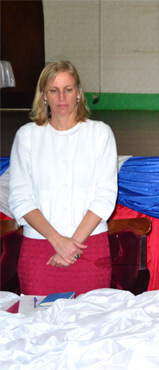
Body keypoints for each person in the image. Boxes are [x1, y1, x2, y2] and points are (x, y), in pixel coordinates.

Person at [8, 60, 118, 295]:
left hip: (89, 247)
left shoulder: (100, 133)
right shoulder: (27, 136)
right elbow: (20, 198)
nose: (62, 97)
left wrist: (72, 246)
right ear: (44, 96)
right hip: (41, 249)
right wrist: (58, 241)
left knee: (91, 328)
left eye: (68, 89)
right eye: (54, 90)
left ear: (78, 94)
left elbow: (105, 197)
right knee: (39, 328)